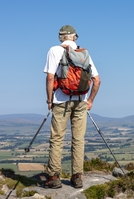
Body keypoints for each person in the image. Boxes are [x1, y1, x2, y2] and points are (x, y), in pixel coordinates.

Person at [43, 25, 101, 188]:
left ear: (61, 37)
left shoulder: (54, 50)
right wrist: (90, 101)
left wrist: (49, 100)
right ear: (74, 37)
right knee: (78, 139)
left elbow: (49, 78)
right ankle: (77, 177)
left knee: (57, 139)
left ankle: (54, 177)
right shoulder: (83, 54)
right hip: (81, 100)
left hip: (61, 101)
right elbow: (97, 80)